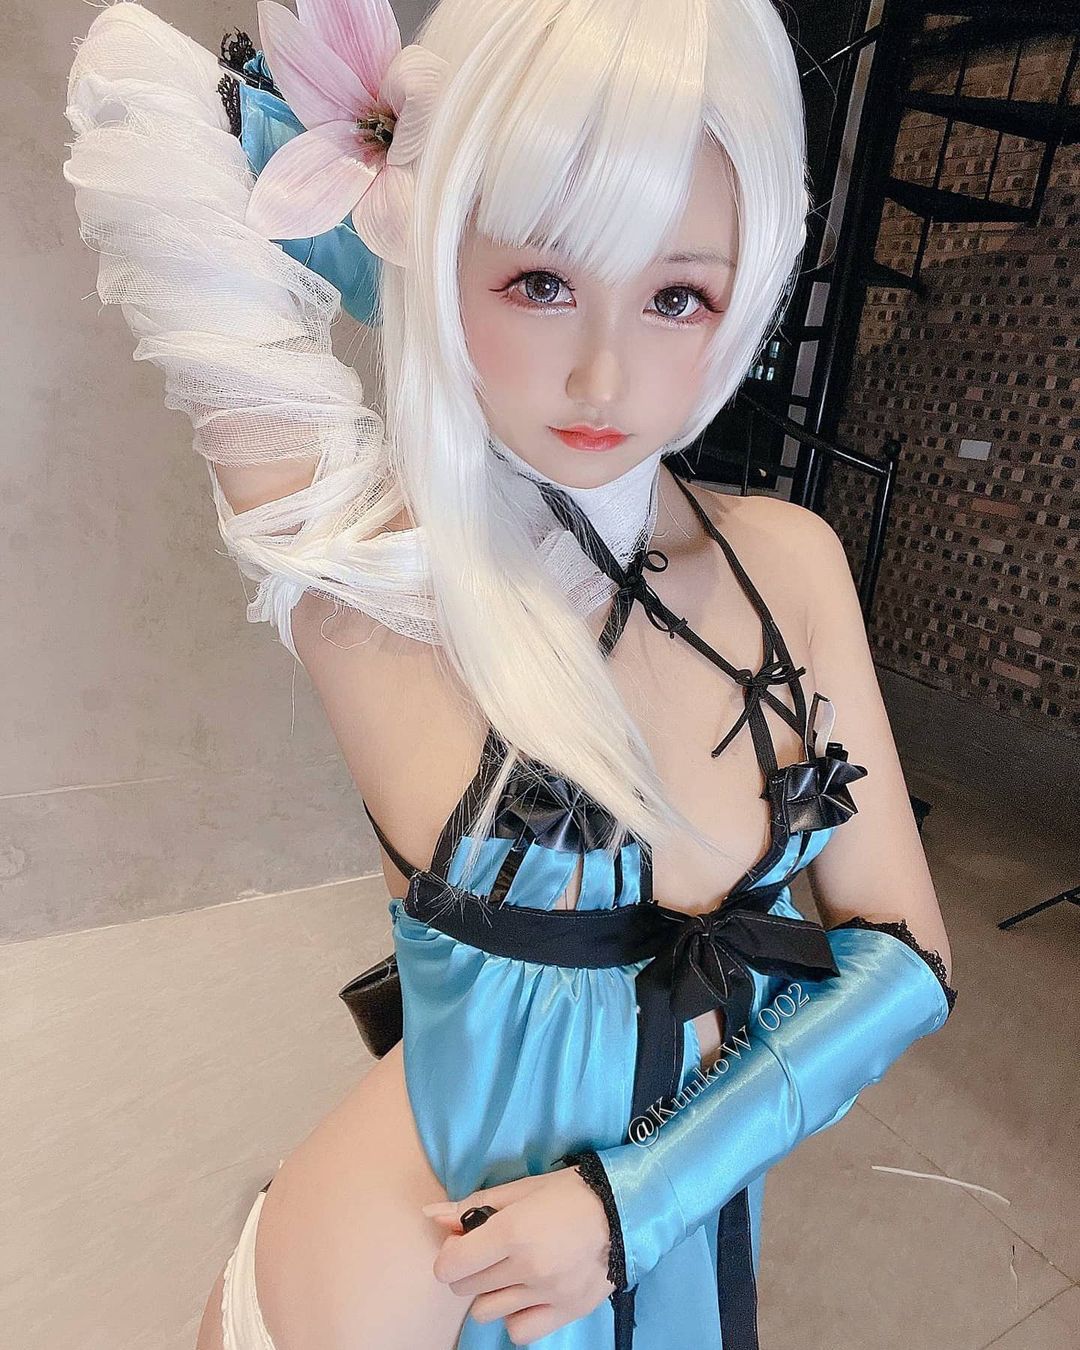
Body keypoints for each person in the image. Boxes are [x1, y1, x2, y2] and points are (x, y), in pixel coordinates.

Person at [63, 1, 958, 1347]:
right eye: (542, 281)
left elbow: (907, 961)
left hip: (662, 1249)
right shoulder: (371, 569)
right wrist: (405, 220)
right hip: (404, 1281)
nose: (605, 371)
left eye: (676, 295)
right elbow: (137, 84)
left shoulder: (793, 562)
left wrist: (634, 1204)